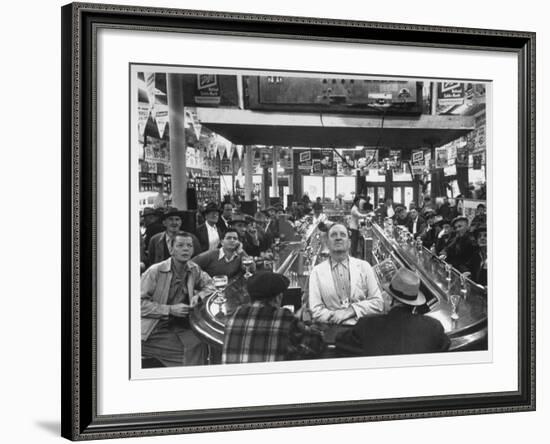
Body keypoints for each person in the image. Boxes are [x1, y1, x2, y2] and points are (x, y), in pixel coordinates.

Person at [335, 267, 450, 356]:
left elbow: (340, 341)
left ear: (391, 300)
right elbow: (445, 345)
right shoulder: (434, 327)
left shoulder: (367, 324)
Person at [141, 231, 215, 367]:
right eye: (180, 245)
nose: (186, 249)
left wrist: (200, 296)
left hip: (176, 324)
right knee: (189, 353)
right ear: (171, 248)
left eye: (189, 245)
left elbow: (211, 285)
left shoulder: (193, 268)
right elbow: (135, 304)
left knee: (203, 342)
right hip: (151, 329)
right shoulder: (155, 271)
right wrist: (169, 310)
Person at [222, 272, 325, 363]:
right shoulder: (284, 317)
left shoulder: (237, 314)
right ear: (278, 298)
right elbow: (315, 344)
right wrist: (309, 321)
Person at [309, 223, 384, 325]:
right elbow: (316, 310)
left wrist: (351, 311)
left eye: (343, 235)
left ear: (349, 243)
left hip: (363, 331)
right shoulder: (317, 272)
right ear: (327, 243)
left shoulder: (364, 267)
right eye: (334, 235)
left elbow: (378, 302)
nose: (338, 238)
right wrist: (337, 318)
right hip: (332, 331)